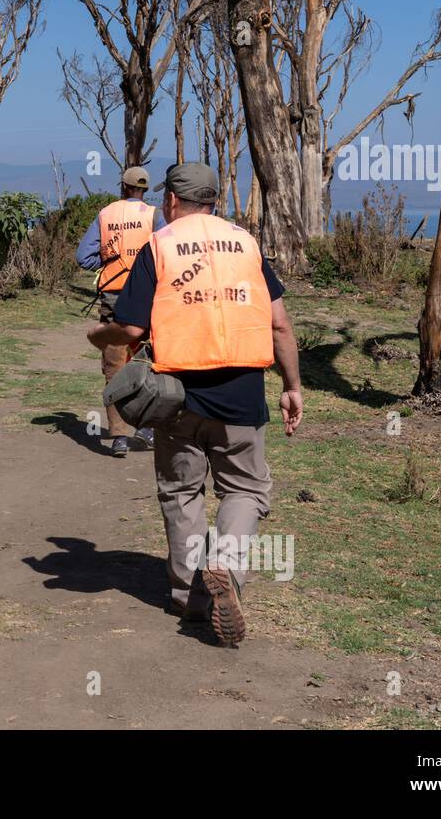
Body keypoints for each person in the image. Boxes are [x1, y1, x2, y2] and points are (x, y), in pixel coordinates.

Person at [88, 162, 303, 646]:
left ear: (170, 202)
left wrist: (97, 334)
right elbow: (281, 325)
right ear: (215, 200)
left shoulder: (159, 246)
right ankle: (224, 562)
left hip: (176, 396)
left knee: (182, 492)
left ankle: (189, 594)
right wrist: (291, 385)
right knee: (245, 490)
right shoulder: (246, 244)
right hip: (244, 393)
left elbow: (131, 330)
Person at [77, 165, 164, 457]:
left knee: (114, 368)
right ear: (144, 189)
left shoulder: (106, 214)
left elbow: (83, 258)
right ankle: (146, 428)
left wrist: (106, 260)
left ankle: (118, 437)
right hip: (148, 300)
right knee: (149, 364)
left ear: (124, 187)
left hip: (114, 298)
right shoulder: (154, 216)